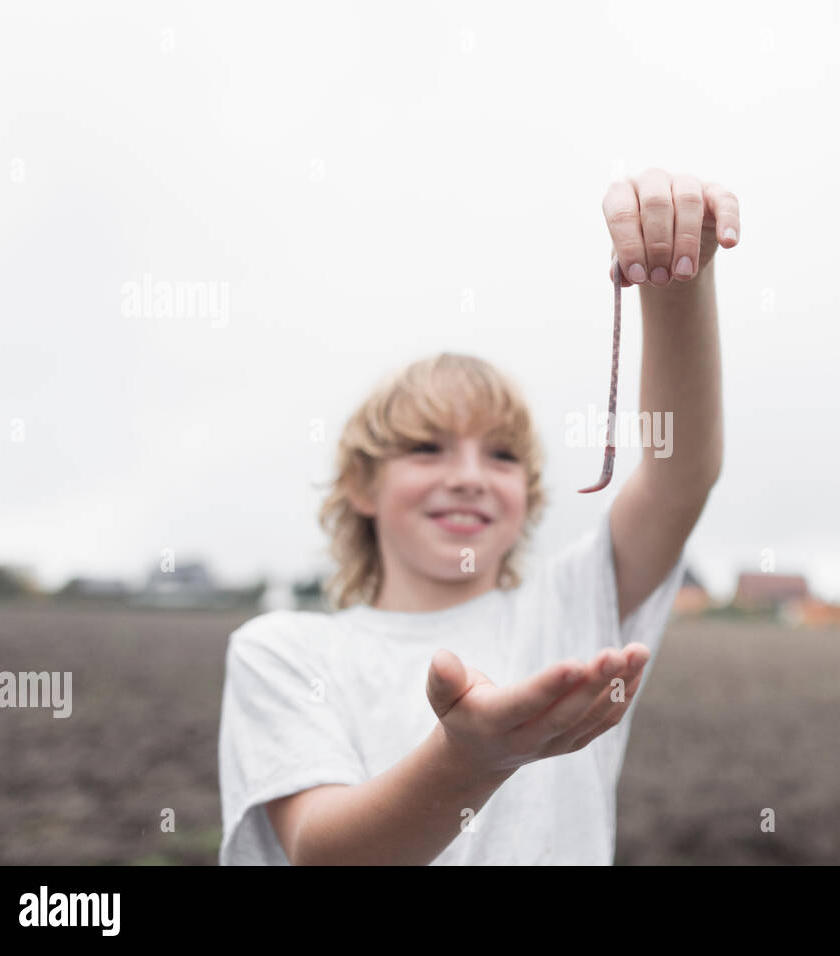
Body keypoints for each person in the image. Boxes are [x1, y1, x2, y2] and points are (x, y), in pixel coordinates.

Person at [217, 168, 739, 864]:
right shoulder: (285, 652)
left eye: (500, 457)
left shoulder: (573, 604)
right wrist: (470, 759)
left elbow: (683, 475)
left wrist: (678, 279)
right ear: (361, 487)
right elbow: (322, 852)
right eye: (427, 449)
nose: (467, 478)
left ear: (528, 495)